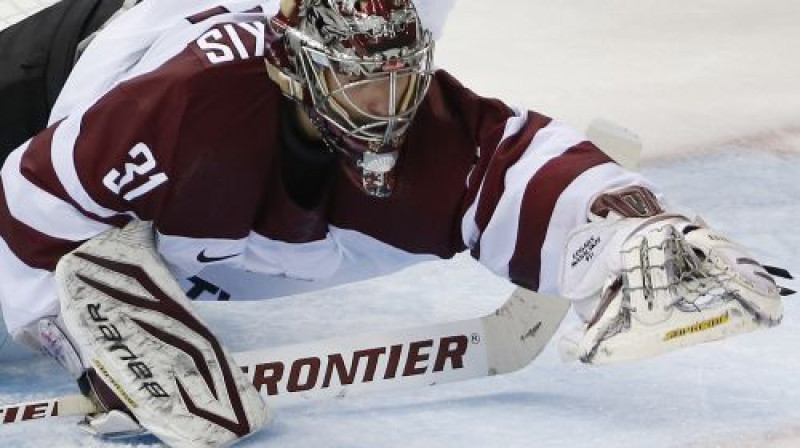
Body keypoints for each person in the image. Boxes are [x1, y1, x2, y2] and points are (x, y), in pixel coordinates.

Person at [0, 0, 791, 446]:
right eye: (361, 89)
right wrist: (77, 335)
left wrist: (638, 235)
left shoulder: (415, 116)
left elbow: (515, 161)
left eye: (400, 82)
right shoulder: (176, 111)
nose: (388, 113)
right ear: (296, 74)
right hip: (81, 62)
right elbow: (37, 199)